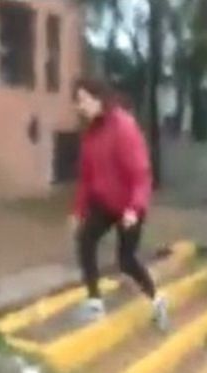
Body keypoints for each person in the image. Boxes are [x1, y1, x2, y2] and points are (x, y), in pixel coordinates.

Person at [72, 78, 169, 329]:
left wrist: (134, 209)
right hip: (105, 202)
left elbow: (141, 174)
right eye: (77, 101)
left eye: (83, 100)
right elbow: (86, 178)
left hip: (129, 205)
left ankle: (157, 300)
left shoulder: (123, 126)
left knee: (126, 260)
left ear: (98, 98)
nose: (79, 106)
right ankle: (95, 302)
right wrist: (79, 211)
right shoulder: (91, 133)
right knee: (85, 239)